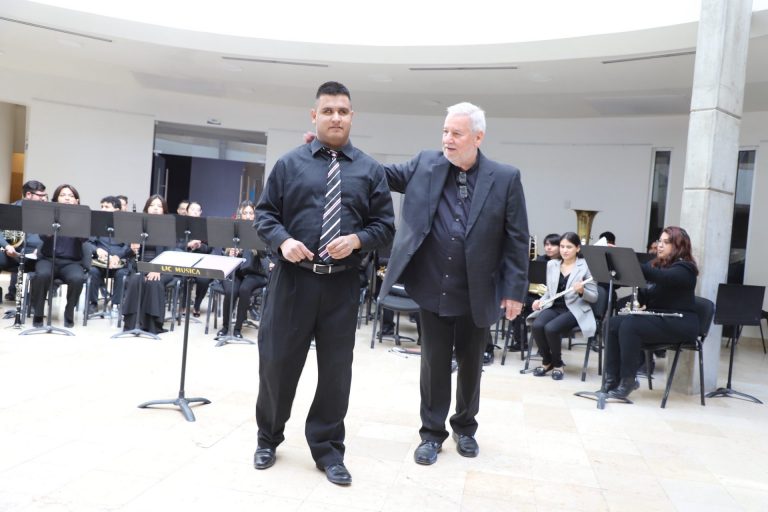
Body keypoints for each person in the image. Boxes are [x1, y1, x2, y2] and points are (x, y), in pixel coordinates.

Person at [253, 81, 394, 486]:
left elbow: (385, 225)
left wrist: (358, 240)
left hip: (340, 286)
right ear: (314, 116)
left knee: (335, 372)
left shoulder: (369, 170)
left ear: (352, 117)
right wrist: (284, 241)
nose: (336, 117)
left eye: (343, 111)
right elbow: (265, 216)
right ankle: (268, 438)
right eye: (328, 110)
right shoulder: (289, 164)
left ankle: (328, 449)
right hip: (293, 281)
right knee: (277, 364)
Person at [378, 102, 529, 466]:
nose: (447, 139)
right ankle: (431, 434)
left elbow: (517, 238)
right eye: (445, 131)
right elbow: (379, 174)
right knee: (433, 363)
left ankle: (465, 427)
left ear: (478, 137)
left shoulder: (505, 178)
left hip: (478, 288)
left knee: (471, 363)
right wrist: (338, 153)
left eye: (456, 133)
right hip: (432, 283)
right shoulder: (424, 164)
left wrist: (514, 290)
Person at [601, 226, 699, 399]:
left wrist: (627, 261)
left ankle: (628, 380)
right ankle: (611, 380)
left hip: (679, 322)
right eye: (659, 241)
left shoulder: (686, 269)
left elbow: (662, 278)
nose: (660, 245)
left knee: (631, 325)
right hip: (659, 319)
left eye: (666, 242)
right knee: (612, 323)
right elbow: (646, 293)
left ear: (679, 246)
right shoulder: (657, 265)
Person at [527, 232, 597, 380]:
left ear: (578, 248)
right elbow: (550, 291)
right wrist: (540, 301)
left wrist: (582, 291)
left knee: (551, 328)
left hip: (575, 309)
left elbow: (594, 296)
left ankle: (558, 364)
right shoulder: (552, 264)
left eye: (569, 247)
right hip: (555, 306)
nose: (564, 250)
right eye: (562, 246)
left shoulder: (585, 266)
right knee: (537, 326)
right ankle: (547, 362)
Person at [28, 184, 90, 328]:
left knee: (77, 278)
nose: (67, 198)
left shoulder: (83, 217)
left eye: (71, 196)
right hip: (48, 259)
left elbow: (84, 238)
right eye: (63, 195)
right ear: (56, 199)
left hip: (72, 262)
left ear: (76, 201)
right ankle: (38, 313)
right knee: (42, 275)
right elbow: (43, 236)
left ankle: (69, 312)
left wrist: (74, 218)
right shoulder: (48, 214)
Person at [121, 195, 176, 334]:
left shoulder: (168, 228)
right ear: (146, 208)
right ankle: (132, 324)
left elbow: (170, 253)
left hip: (163, 268)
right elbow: (126, 253)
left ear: (164, 210)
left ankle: (152, 325)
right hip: (140, 266)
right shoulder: (137, 226)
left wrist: (157, 269)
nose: (155, 208)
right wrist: (132, 249)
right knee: (135, 280)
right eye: (152, 205)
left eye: (159, 206)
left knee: (154, 282)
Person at [217, 201, 269, 338]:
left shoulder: (260, 229)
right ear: (240, 214)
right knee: (231, 291)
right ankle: (225, 327)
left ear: (255, 214)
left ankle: (237, 328)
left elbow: (264, 254)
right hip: (235, 272)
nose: (248, 216)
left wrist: (254, 243)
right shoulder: (234, 229)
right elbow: (223, 252)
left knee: (244, 289)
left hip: (254, 273)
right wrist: (231, 253)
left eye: (251, 213)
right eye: (245, 213)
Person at [0, 180, 48, 301]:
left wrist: (40, 249)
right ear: (28, 195)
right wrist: (6, 246)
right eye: (40, 195)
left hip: (36, 255)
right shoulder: (11, 209)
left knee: (45, 265)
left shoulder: (47, 212)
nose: (44, 199)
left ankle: (34, 300)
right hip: (12, 252)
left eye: (44, 195)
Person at [87, 196, 133, 314]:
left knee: (122, 273)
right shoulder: (96, 224)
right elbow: (89, 243)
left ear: (117, 210)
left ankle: (116, 304)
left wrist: (117, 256)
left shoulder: (126, 225)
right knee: (93, 271)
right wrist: (97, 250)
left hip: (119, 262)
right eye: (102, 206)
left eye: (106, 207)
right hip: (100, 262)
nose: (103, 209)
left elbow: (128, 246)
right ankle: (93, 303)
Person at [179, 200, 211, 317]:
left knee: (204, 280)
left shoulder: (205, 228)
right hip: (183, 261)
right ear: (187, 212)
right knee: (183, 277)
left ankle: (197, 305)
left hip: (201, 262)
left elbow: (210, 248)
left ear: (201, 212)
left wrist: (199, 246)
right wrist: (188, 245)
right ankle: (183, 305)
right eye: (192, 209)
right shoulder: (180, 226)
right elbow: (175, 245)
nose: (195, 212)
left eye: (198, 210)